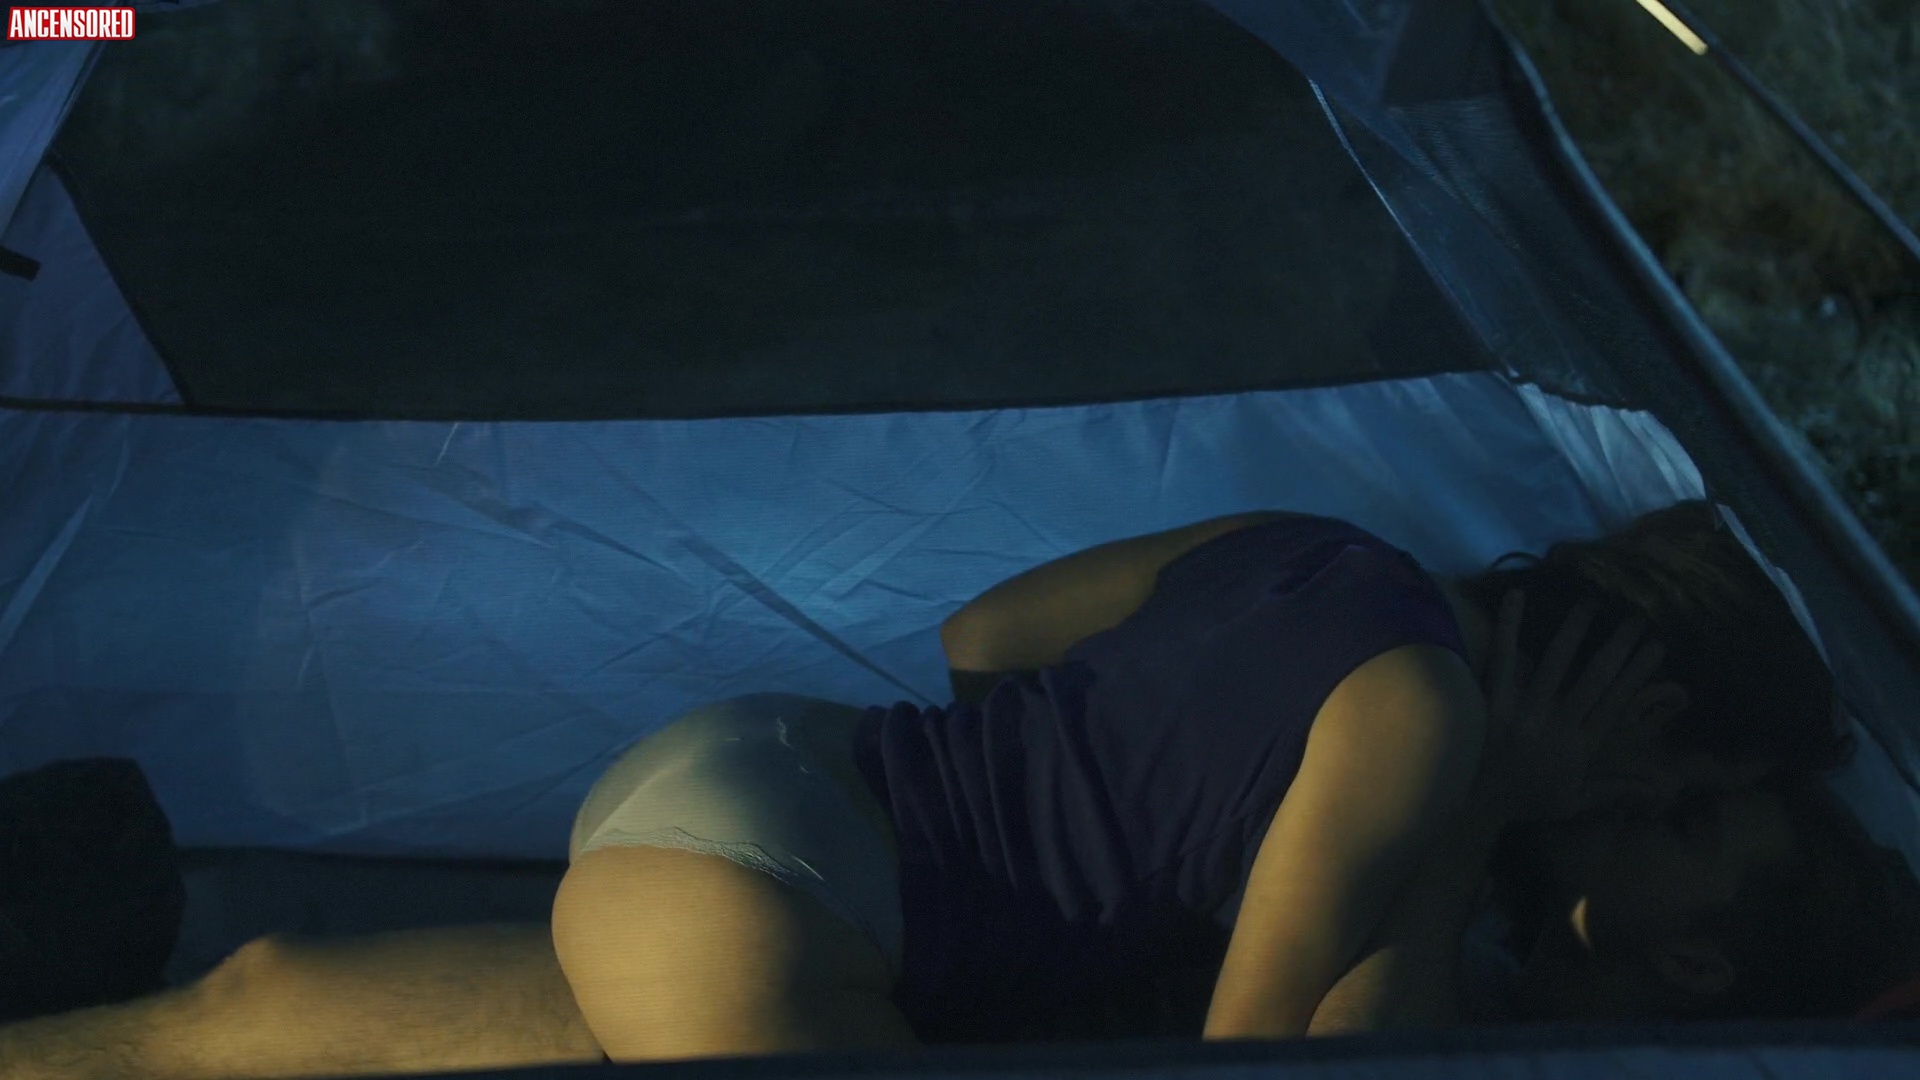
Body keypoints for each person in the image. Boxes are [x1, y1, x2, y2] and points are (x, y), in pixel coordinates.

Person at [0, 502, 1850, 1076]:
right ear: (1640, 707)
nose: (1630, 809)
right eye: (1676, 784)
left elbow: (984, 632)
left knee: (283, 1014)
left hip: (762, 769)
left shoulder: (1325, 547)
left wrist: (1068, 799)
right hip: (793, 902)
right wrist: (1466, 819)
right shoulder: (1425, 727)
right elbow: (1251, 1054)